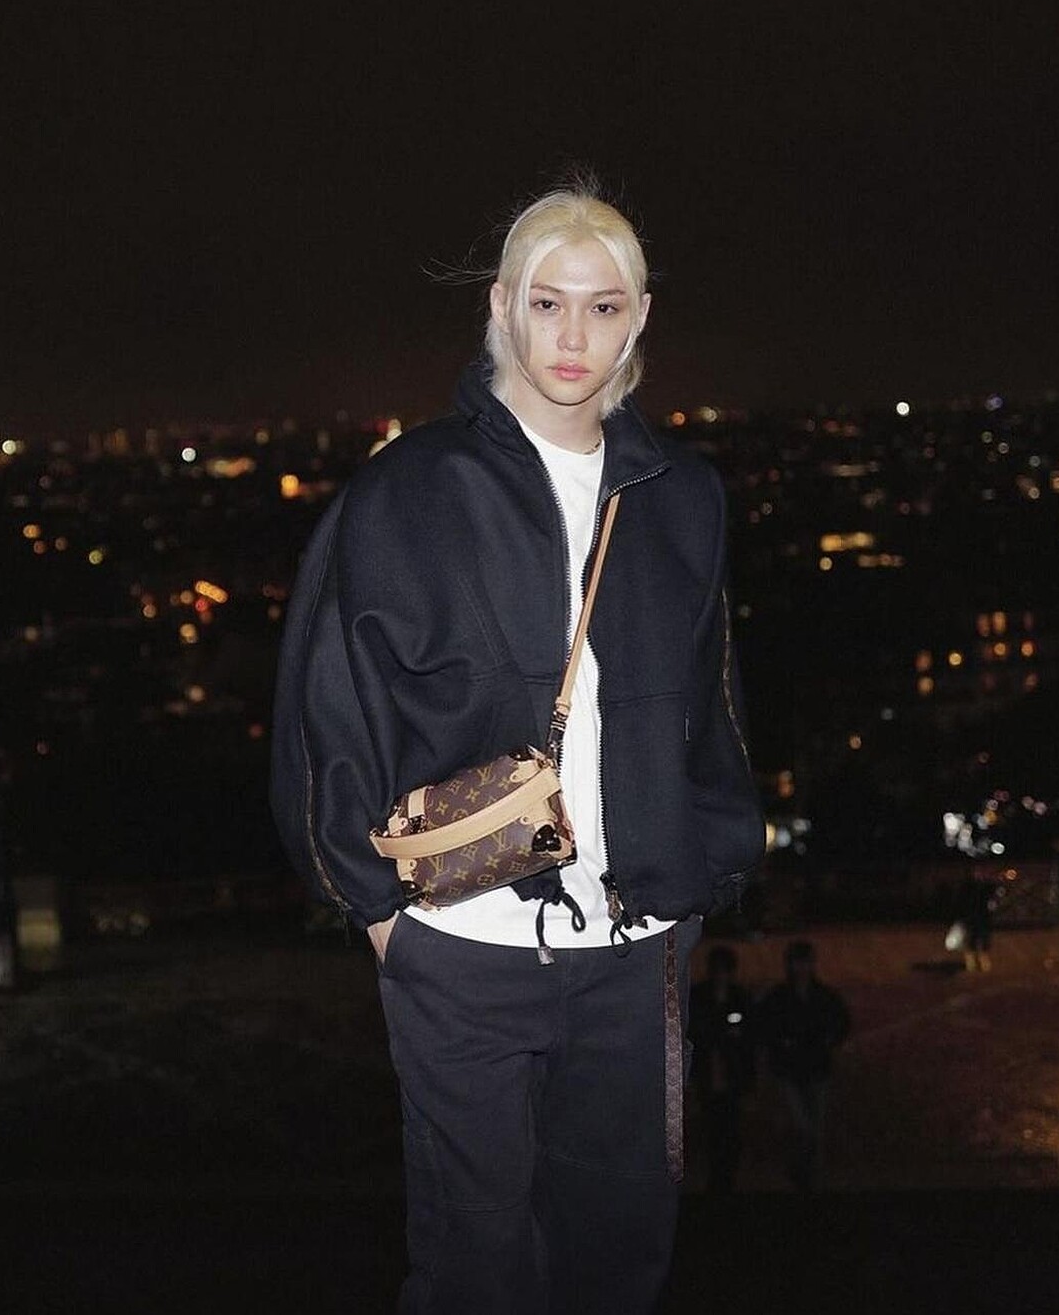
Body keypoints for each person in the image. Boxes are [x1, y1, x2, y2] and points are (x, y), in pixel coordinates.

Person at [271, 183, 766, 1314]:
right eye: (548, 303)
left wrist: (701, 879)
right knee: (475, 1268)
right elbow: (326, 711)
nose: (574, 335)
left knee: (617, 1258)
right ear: (501, 307)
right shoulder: (408, 491)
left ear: (640, 319)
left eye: (604, 306)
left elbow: (713, 703)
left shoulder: (681, 497)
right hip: (462, 947)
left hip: (635, 949)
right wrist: (382, 917)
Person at [757, 940, 850, 1192]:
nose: (801, 968)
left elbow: (841, 1023)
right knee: (804, 1125)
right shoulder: (783, 998)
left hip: (815, 1069)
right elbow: (765, 1027)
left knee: (813, 1128)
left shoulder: (820, 996)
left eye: (804, 963)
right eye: (797, 963)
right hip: (791, 1070)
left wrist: (830, 1039)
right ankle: (806, 1174)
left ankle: (809, 1176)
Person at [688, 944, 756, 1191]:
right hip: (708, 1071)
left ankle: (728, 1176)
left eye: (724, 971)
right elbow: (694, 1032)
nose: (721, 976)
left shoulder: (740, 997)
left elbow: (749, 1037)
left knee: (731, 1126)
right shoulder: (698, 998)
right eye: (717, 971)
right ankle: (715, 1176)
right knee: (711, 1126)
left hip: (732, 1072)